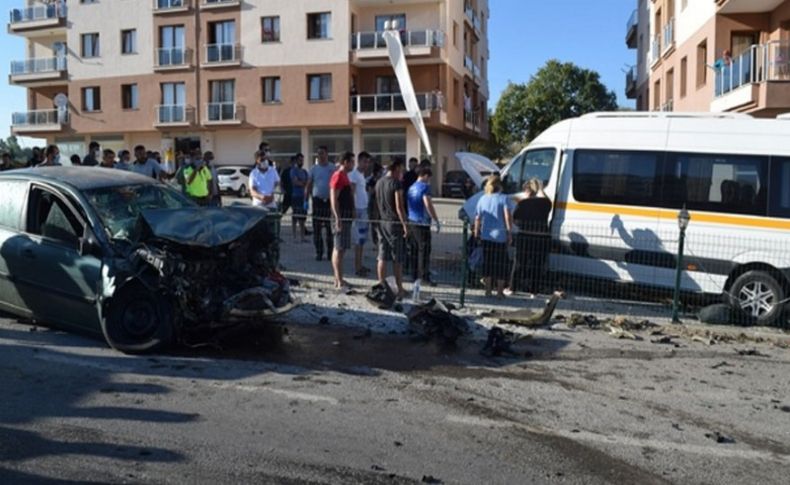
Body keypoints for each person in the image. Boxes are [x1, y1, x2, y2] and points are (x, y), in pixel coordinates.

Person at [511, 178, 553, 296]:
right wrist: (541, 189)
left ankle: (513, 288)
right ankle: (534, 291)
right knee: (537, 265)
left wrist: (522, 224)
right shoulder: (545, 203)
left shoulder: (522, 203)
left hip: (524, 236)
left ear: (526, 190)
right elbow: (549, 202)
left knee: (519, 262)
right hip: (541, 237)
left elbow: (515, 219)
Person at [474, 175, 513, 298]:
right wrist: (509, 232)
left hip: (486, 235)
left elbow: (477, 217)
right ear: (500, 186)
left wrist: (476, 232)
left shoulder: (483, 199)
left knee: (488, 263)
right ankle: (500, 292)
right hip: (500, 236)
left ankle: (488, 290)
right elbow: (507, 216)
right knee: (501, 264)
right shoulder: (504, 198)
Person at [375, 159, 409, 298]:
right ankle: (399, 288)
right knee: (397, 257)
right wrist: (405, 225)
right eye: (401, 169)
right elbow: (399, 206)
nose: (402, 172)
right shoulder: (396, 183)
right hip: (394, 223)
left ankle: (381, 285)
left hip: (382, 222)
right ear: (396, 168)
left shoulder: (379, 182)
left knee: (382, 255)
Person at [407, 167, 440, 286]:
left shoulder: (411, 187)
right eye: (429, 178)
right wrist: (435, 219)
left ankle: (414, 275)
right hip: (422, 222)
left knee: (414, 249)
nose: (429, 180)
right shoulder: (425, 187)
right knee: (424, 250)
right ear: (425, 176)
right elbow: (427, 203)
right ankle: (425, 276)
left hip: (412, 220)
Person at [330, 152, 356, 291]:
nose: (353, 164)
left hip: (346, 216)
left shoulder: (345, 176)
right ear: (345, 162)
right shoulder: (338, 176)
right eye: (352, 161)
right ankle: (338, 281)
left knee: (342, 248)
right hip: (340, 217)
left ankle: (339, 278)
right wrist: (337, 218)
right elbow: (334, 198)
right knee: (338, 249)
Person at [306, 146, 335, 261]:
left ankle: (330, 253)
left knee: (329, 230)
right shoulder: (313, 169)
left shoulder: (332, 168)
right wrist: (305, 200)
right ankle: (319, 252)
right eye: (318, 154)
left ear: (327, 154)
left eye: (322, 153)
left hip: (328, 201)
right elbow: (309, 184)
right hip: (317, 201)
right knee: (317, 229)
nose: (320, 156)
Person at [350, 151, 372, 277]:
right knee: (358, 240)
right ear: (359, 161)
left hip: (364, 209)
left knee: (362, 239)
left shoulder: (362, 175)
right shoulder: (354, 175)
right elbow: (352, 192)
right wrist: (353, 209)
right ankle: (357, 267)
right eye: (364, 161)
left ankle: (360, 264)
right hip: (358, 210)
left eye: (368, 162)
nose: (366, 164)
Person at [290, 153, 308, 242]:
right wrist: (302, 182)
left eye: (302, 160)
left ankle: (302, 236)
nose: (302, 162)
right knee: (295, 216)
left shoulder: (304, 171)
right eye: (300, 160)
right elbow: (295, 182)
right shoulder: (293, 171)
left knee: (303, 217)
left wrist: (302, 182)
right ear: (296, 160)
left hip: (303, 196)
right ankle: (294, 236)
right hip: (296, 196)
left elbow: (307, 182)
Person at [367, 162, 383, 247]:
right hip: (373, 203)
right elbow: (370, 192)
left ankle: (380, 241)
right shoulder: (372, 180)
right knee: (374, 224)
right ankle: (376, 242)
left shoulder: (382, 180)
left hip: (380, 202)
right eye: (380, 172)